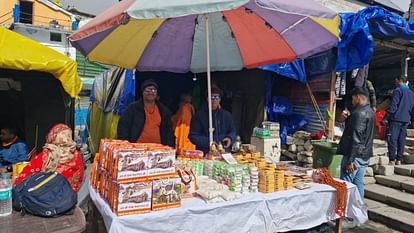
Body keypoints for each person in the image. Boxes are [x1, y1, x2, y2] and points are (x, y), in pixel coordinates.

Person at [15, 124, 84, 192]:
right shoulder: (76, 154)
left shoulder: (47, 154)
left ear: (52, 137)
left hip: (48, 197)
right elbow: (80, 176)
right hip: (69, 194)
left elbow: (25, 175)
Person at [338, 87, 375, 199]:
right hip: (364, 155)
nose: (352, 101)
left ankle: (346, 214)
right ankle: (359, 212)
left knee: (346, 185)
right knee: (358, 184)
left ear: (358, 97)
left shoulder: (359, 114)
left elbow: (356, 138)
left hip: (355, 156)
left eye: (353, 99)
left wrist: (350, 160)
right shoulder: (370, 111)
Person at [117, 79, 175, 146]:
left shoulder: (164, 111)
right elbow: (123, 127)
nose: (151, 92)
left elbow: (169, 132)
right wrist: (125, 145)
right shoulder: (133, 108)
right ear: (142, 92)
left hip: (158, 150)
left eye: (153, 90)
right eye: (147, 90)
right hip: (137, 149)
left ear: (156, 94)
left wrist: (169, 147)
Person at [189, 86, 237, 154]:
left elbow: (233, 130)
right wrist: (209, 142)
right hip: (205, 152)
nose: (214, 100)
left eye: (216, 97)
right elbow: (193, 135)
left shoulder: (227, 115)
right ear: (207, 99)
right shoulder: (199, 115)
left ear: (220, 99)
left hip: (224, 151)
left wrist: (230, 138)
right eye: (211, 97)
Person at [381, 75, 414, 165]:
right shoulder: (411, 93)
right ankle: (399, 159)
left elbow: (393, 106)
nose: (395, 82)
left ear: (399, 81)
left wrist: (386, 118)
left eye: (396, 80)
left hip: (396, 119)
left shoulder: (398, 91)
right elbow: (413, 109)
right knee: (401, 139)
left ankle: (392, 159)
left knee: (392, 139)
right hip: (406, 120)